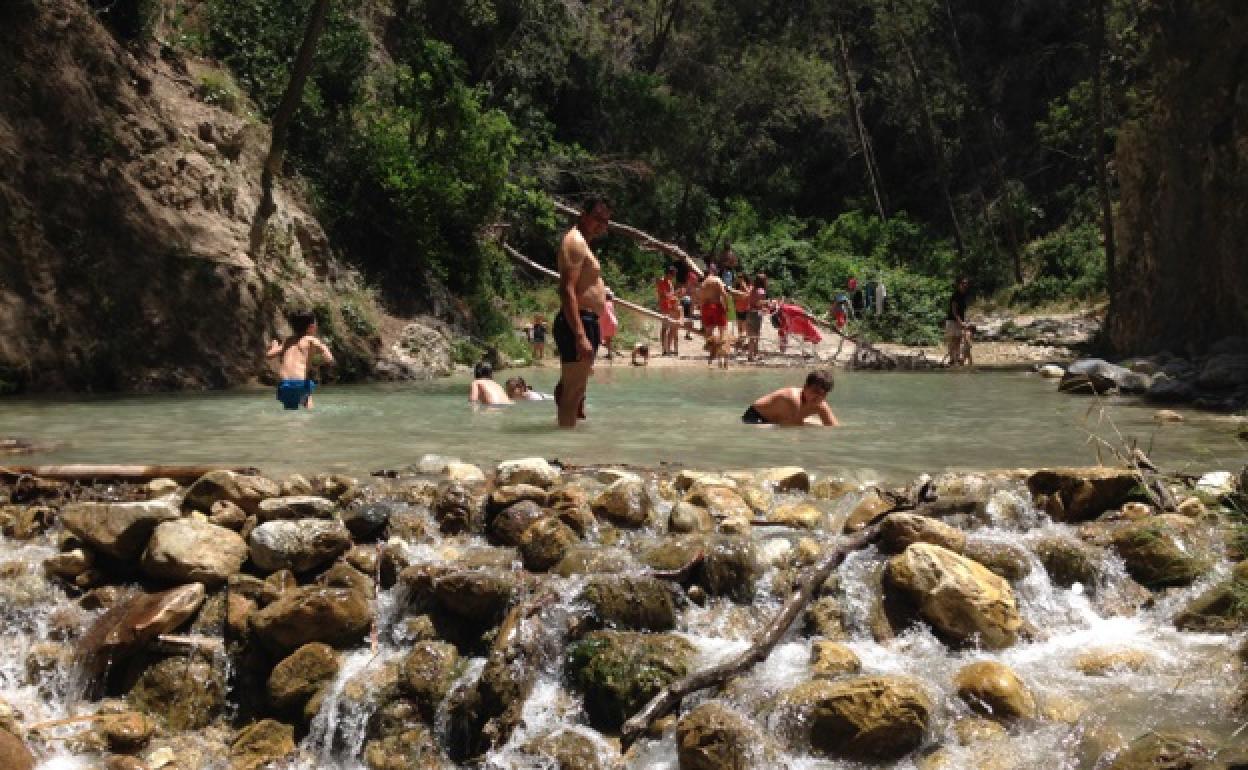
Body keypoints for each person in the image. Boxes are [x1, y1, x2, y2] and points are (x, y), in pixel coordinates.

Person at [553, 197, 610, 427]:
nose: (602, 225)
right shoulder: (574, 242)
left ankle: (569, 443)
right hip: (578, 322)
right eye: (598, 218)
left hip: (588, 321)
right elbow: (567, 290)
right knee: (572, 392)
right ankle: (563, 451)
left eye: (606, 221)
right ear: (583, 214)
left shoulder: (584, 243)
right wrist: (579, 335)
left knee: (576, 391)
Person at [266, 311, 334, 410]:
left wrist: (274, 345)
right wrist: (318, 362)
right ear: (312, 327)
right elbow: (329, 358)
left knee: (290, 412)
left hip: (284, 384)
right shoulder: (311, 339)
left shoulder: (288, 341)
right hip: (300, 382)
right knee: (308, 401)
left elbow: (269, 355)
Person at [742, 370, 839, 426]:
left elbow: (834, 428)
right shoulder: (792, 398)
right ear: (805, 387)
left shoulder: (821, 404)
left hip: (779, 420)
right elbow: (794, 431)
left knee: (816, 424)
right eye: (815, 391)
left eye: (823, 394)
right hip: (755, 418)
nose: (819, 397)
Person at [698, 267, 730, 366]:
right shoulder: (716, 280)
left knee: (709, 334)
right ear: (714, 272)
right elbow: (724, 294)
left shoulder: (703, 284)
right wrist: (728, 307)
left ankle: (711, 358)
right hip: (716, 306)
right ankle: (723, 359)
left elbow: (701, 299)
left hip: (705, 308)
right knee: (723, 332)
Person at [945, 276, 971, 366]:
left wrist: (965, 322)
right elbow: (954, 311)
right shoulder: (955, 295)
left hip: (960, 321)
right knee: (953, 341)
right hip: (952, 321)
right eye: (963, 283)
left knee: (959, 341)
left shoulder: (964, 296)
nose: (965, 285)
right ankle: (952, 360)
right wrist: (961, 322)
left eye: (966, 283)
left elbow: (963, 311)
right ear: (959, 284)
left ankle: (957, 360)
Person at [657, 266, 679, 355]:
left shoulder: (669, 282)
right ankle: (664, 349)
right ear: (669, 273)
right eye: (672, 275)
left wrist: (676, 294)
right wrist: (673, 294)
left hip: (671, 307)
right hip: (665, 306)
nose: (673, 277)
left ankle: (669, 348)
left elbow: (670, 294)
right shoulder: (662, 281)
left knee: (671, 328)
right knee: (664, 328)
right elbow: (663, 295)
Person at [747, 273, 769, 361]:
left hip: (749, 313)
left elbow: (751, 301)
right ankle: (752, 356)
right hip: (756, 314)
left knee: (751, 336)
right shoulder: (761, 291)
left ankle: (753, 354)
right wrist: (768, 302)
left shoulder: (752, 289)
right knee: (755, 336)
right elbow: (759, 303)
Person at [601, 289, 619, 362]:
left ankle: (609, 353)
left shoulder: (605, 303)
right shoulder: (611, 303)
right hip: (612, 322)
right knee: (608, 339)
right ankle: (609, 353)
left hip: (607, 322)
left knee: (606, 339)